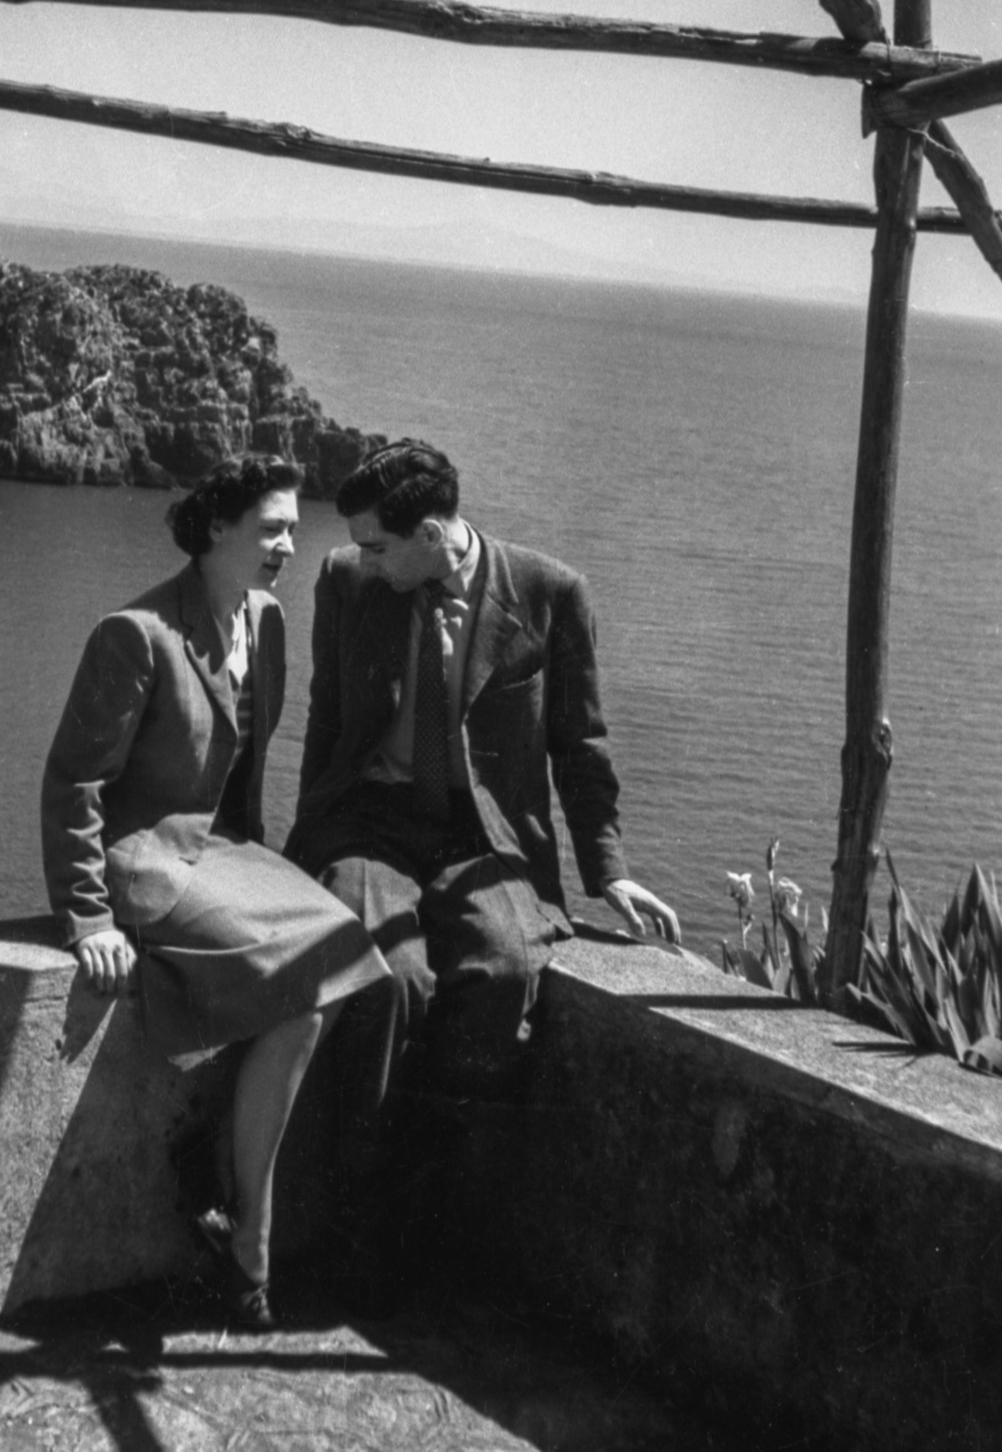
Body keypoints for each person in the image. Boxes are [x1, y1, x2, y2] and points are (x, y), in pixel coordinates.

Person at [286, 440, 679, 1272]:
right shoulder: (347, 585)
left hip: (484, 841)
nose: (362, 557)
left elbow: (579, 742)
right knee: (385, 978)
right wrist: (303, 840)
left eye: (377, 544)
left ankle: (436, 1201)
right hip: (369, 823)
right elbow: (327, 718)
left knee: (504, 973)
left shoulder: (549, 593)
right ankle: (357, 1213)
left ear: (431, 534)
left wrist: (606, 870)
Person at [42, 455, 389, 1329]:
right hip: (145, 859)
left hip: (221, 849)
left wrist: (261, 869)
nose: (289, 543)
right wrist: (87, 916)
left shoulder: (265, 620)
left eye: (292, 527)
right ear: (215, 530)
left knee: (350, 955)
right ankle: (248, 1246)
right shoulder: (134, 633)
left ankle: (220, 1175)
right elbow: (75, 785)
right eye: (271, 528)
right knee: (310, 983)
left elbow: (243, 764)